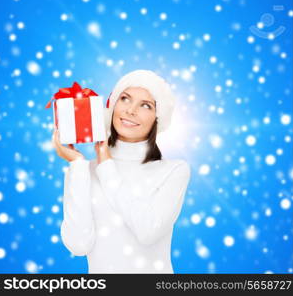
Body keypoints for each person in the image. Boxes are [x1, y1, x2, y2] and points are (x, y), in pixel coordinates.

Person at [52, 69, 191, 273]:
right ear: (112, 106)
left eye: (146, 105)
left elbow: (147, 232)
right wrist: (77, 164)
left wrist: (105, 164)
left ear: (157, 119)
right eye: (125, 99)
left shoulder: (173, 171)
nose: (131, 110)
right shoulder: (84, 171)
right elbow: (79, 245)